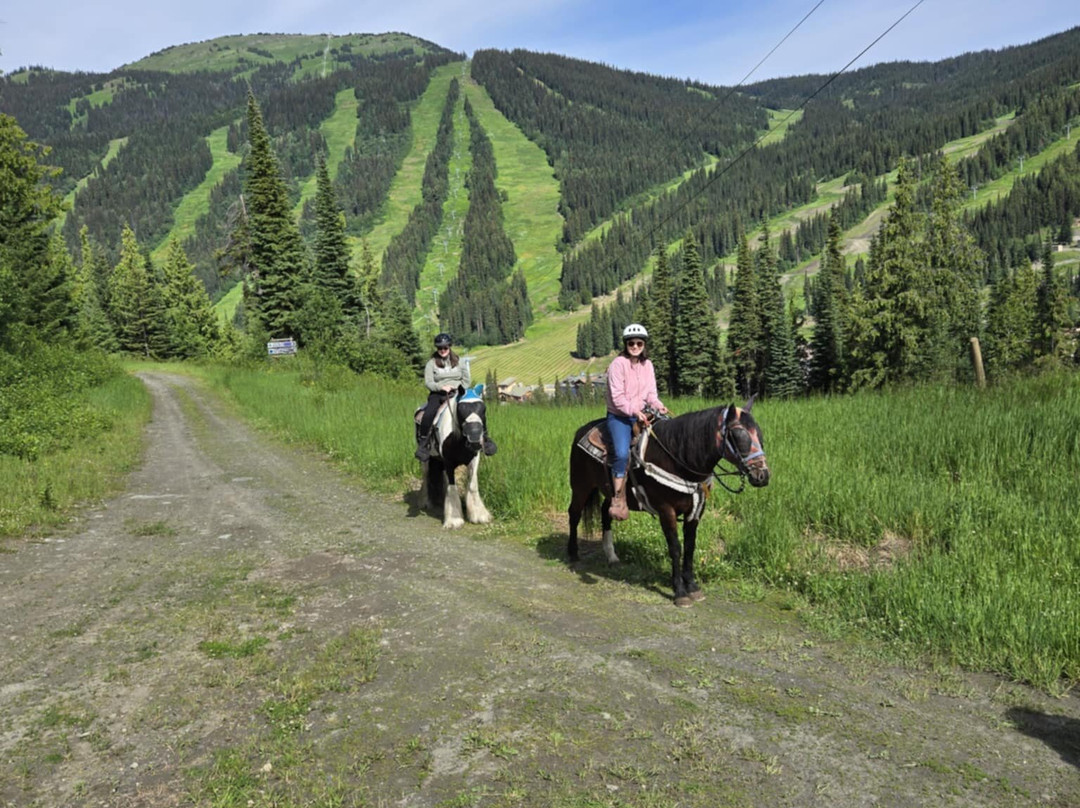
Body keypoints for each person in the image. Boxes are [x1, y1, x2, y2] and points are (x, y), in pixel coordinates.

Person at [604, 323, 668, 519]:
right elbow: (618, 397)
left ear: (644, 345)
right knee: (622, 454)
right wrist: (635, 411)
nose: (635, 346)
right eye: (631, 343)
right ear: (626, 344)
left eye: (639, 343)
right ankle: (618, 496)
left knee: (665, 443)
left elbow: (651, 394)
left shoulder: (647, 365)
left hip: (641, 414)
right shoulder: (618, 365)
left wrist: (658, 406)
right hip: (619, 417)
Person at [415, 333, 496, 461]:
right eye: (440, 348)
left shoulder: (460, 361)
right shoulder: (431, 364)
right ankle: (424, 444)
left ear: (449, 347)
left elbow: (466, 380)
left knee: (477, 409)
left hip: (458, 393)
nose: (442, 350)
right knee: (429, 413)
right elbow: (428, 382)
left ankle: (485, 439)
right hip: (438, 394)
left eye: (445, 348)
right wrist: (440, 387)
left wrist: (457, 387)